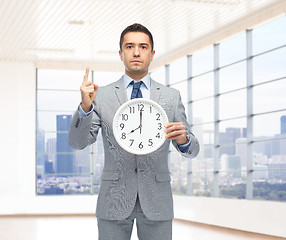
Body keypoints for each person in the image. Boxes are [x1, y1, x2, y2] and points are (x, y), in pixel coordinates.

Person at [68, 23, 200, 240]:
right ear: (121, 54)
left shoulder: (171, 96)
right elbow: (77, 142)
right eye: (129, 47)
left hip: (157, 200)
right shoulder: (101, 96)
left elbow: (192, 150)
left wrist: (184, 138)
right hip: (114, 199)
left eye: (143, 47)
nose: (136, 52)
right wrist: (84, 108)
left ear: (152, 53)